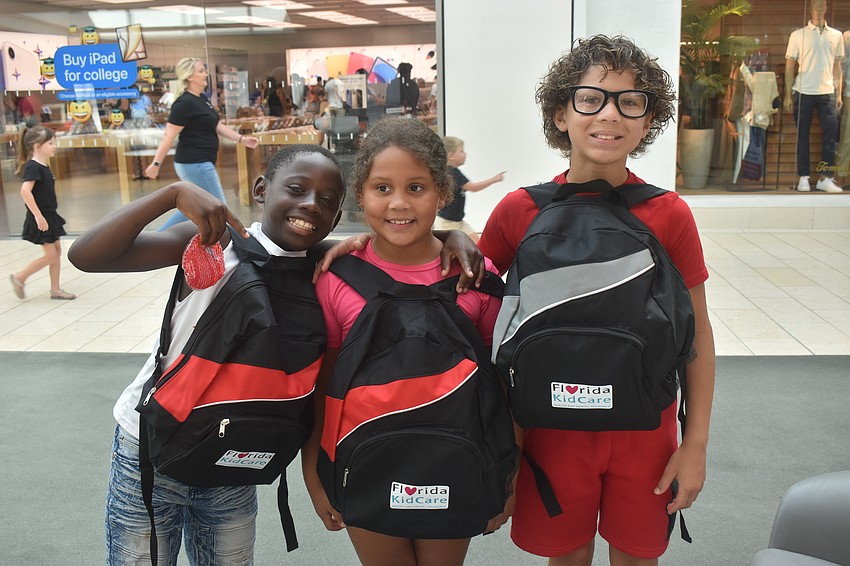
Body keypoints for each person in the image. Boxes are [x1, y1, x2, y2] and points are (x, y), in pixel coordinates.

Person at [476, 35, 715, 565]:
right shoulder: (520, 210)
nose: (609, 114)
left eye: (630, 102)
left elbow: (698, 333)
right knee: (566, 555)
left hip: (646, 430)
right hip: (547, 428)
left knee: (637, 556)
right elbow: (469, 300)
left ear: (647, 121)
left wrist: (695, 442)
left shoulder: (669, 214)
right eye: (590, 99)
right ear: (560, 114)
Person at [68, 145, 348, 565]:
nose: (310, 204)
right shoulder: (213, 242)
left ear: (336, 218)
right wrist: (170, 195)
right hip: (151, 447)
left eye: (326, 200)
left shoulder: (328, 266)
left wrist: (447, 236)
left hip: (236, 457)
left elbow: (403, 246)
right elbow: (86, 256)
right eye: (296, 189)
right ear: (261, 189)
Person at [302, 116, 506, 566]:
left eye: (416, 188)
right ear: (360, 194)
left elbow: (502, 385)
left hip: (457, 463)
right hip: (363, 465)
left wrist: (507, 472)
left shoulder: (476, 275)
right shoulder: (335, 279)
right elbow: (325, 386)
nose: (399, 203)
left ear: (443, 192)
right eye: (382, 188)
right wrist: (314, 471)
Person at [144, 57, 260, 229]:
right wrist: (156, 164)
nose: (205, 74)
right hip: (194, 162)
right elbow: (169, 135)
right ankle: (160, 236)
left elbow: (216, 125)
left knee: (197, 206)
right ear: (189, 76)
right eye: (201, 71)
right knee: (217, 204)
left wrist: (242, 139)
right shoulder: (183, 103)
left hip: (201, 161)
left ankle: (159, 236)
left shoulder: (202, 100)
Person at [784, 0, 844, 193]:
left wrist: (839, 93)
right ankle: (803, 176)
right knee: (802, 135)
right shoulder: (797, 35)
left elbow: (837, 67)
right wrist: (787, 95)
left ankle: (825, 177)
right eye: (815, 6)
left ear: (826, 8)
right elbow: (789, 67)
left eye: (821, 6)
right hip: (803, 91)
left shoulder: (836, 36)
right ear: (810, 9)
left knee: (831, 135)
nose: (818, 10)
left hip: (827, 92)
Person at [9, 125, 75, 301]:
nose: (54, 146)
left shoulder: (43, 166)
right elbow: (25, 191)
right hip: (41, 217)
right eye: (50, 143)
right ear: (37, 146)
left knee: (56, 251)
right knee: (51, 255)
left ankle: (55, 289)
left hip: (49, 215)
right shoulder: (33, 167)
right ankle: (19, 278)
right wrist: (38, 215)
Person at [434, 136, 506, 242]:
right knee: (447, 248)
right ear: (451, 156)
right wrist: (494, 179)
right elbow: (473, 187)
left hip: (458, 222)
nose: (465, 154)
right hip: (447, 224)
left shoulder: (451, 171)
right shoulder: (452, 172)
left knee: (478, 243)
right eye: (461, 151)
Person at [836, 29, 850, 187]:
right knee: (847, 136)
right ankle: (841, 174)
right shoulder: (847, 37)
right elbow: (843, 65)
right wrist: (840, 91)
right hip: (849, 92)